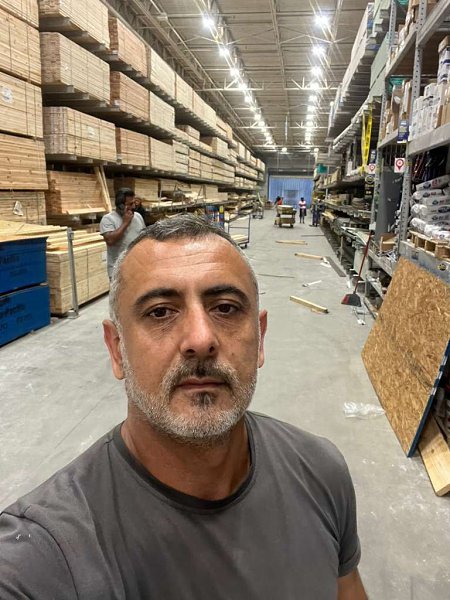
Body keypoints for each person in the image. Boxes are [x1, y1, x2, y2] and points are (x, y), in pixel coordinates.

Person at [0, 215, 367, 600]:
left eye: (225, 308)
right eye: (160, 312)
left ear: (260, 340)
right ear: (117, 349)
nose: (201, 338)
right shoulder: (42, 555)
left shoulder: (321, 472)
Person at [100, 188, 146, 279]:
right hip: (118, 271)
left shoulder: (138, 216)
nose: (133, 207)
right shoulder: (108, 219)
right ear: (120, 205)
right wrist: (125, 223)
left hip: (137, 267)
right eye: (130, 204)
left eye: (134, 203)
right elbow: (110, 240)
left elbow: (144, 236)